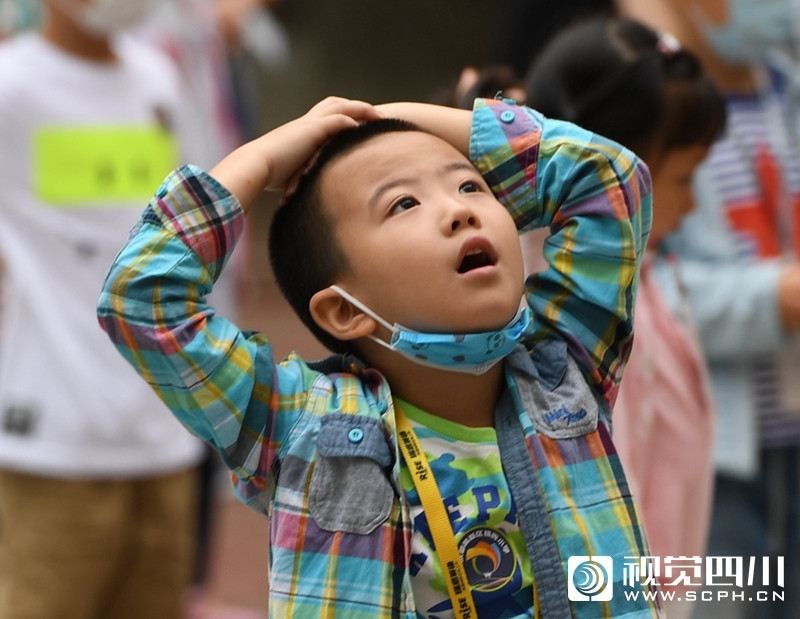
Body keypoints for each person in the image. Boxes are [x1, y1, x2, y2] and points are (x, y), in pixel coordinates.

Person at [97, 93, 662, 617]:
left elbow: (609, 179)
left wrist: (384, 115)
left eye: (470, 186)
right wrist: (263, 158)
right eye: (404, 203)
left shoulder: (564, 368)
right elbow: (141, 300)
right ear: (346, 311)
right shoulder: (295, 424)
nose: (460, 211)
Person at [0, 1, 207, 617]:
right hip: (51, 434)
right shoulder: (11, 86)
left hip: (164, 426)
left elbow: (187, 224)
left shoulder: (158, 79)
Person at [525, 16, 727, 618]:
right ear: (609, 181)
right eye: (683, 178)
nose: (692, 203)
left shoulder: (646, 273)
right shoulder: (573, 303)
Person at [614, 1, 800, 617]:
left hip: (789, 432)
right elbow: (637, 283)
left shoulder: (787, 89)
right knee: (714, 602)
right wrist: (772, 300)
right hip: (711, 456)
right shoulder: (652, 107)